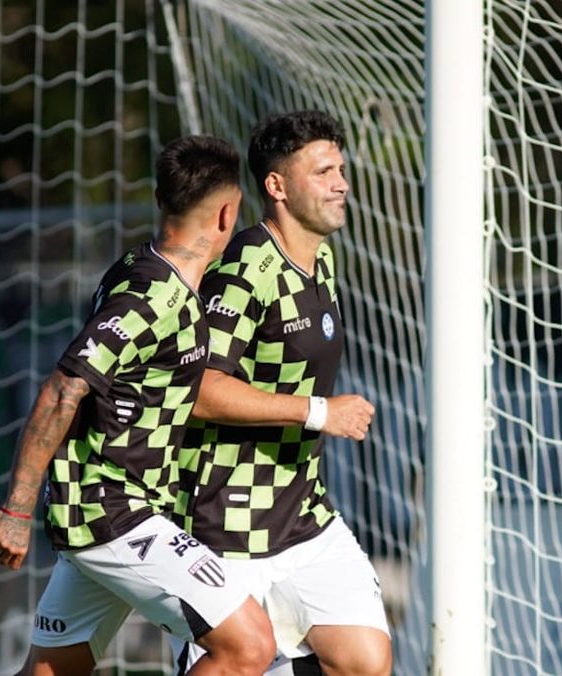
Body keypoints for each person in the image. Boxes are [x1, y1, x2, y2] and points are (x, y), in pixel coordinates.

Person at [0, 135, 277, 676]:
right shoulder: (149, 297)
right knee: (249, 645)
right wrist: (16, 511)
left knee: (50, 672)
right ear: (226, 214)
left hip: (118, 509)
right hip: (114, 513)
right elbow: (63, 389)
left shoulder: (139, 268)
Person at [175, 110, 391, 676]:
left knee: (365, 661)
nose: (341, 183)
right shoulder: (246, 266)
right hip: (228, 524)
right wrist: (320, 412)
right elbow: (199, 389)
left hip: (303, 518)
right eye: (323, 172)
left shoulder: (323, 258)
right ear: (277, 186)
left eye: (340, 169)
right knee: (239, 663)